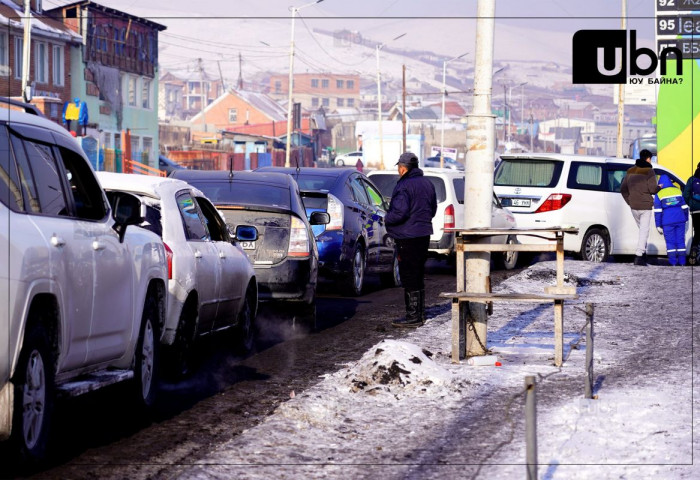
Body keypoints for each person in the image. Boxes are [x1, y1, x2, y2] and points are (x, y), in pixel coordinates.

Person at [385, 152, 437, 328]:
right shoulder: (427, 184)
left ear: (402, 168)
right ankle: (419, 313)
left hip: (407, 236)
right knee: (418, 273)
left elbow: (400, 212)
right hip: (423, 234)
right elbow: (433, 209)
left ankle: (413, 316)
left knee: (409, 275)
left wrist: (386, 218)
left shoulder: (404, 186)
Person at [620, 149, 660, 266]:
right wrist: (659, 187)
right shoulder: (649, 171)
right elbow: (653, 189)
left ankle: (643, 254)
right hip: (645, 205)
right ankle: (638, 256)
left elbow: (623, 189)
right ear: (648, 158)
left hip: (634, 206)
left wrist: (630, 201)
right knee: (644, 231)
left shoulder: (630, 170)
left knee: (642, 231)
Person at [654, 175, 689, 266]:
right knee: (681, 241)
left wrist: (658, 225)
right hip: (680, 219)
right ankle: (682, 262)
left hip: (667, 221)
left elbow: (658, 211)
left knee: (670, 243)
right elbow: (685, 207)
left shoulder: (659, 194)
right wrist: (685, 218)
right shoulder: (678, 191)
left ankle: (673, 262)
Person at [682, 162, 700, 263]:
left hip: (695, 210)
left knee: (697, 232)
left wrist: (691, 204)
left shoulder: (691, 179)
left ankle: (693, 249)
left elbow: (685, 195)